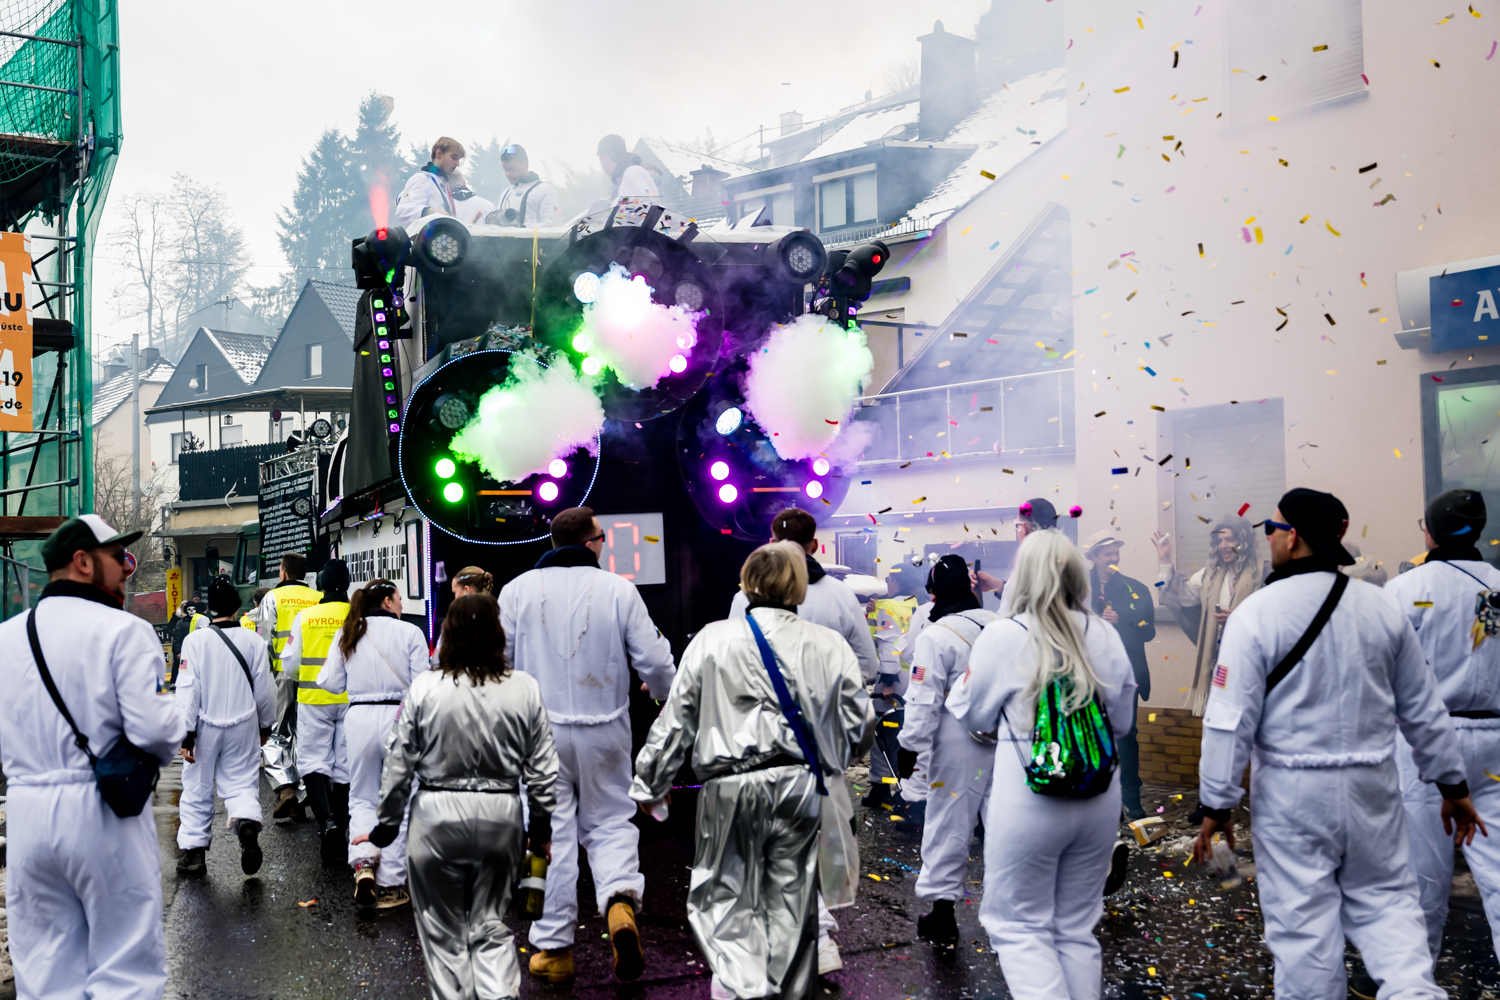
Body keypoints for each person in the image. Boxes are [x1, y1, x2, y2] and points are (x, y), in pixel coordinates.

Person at [1192, 488, 1484, 1000]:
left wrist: (1216, 804)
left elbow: (1228, 720)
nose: (1269, 536)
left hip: (1292, 793)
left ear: (1294, 537)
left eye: (1272, 526)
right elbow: (1422, 708)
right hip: (1373, 786)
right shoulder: (1380, 607)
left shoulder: (1255, 615)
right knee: (1390, 909)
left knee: (1304, 927)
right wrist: (1453, 785)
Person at [631, 541, 874, 1000]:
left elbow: (677, 719)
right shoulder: (829, 645)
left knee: (727, 903)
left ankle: (740, 990)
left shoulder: (711, 639)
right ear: (800, 588)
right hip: (803, 787)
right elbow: (859, 724)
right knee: (794, 905)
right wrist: (834, 760)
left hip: (730, 789)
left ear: (746, 585)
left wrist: (650, 781)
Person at [946, 529, 1136, 1000]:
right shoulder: (1106, 634)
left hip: (1028, 797)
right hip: (1098, 796)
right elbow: (1125, 722)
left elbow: (974, 713)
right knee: (1074, 928)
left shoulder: (1004, 634)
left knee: (1019, 927)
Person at [0, 515, 185, 999]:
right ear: (83, 562)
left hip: (25, 814)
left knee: (44, 974)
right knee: (126, 969)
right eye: (117, 558)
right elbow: (156, 730)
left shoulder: (4, 639)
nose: (127, 569)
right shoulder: (124, 632)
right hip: (103, 810)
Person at [498, 506, 676, 984]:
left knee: (547, 836)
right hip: (606, 731)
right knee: (610, 823)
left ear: (555, 543)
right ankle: (619, 903)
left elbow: (499, 662)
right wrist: (662, 695)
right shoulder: (619, 589)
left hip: (539, 734)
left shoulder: (515, 592)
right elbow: (656, 661)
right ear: (593, 542)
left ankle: (554, 950)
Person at [371, 594, 558, 1000]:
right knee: (491, 925)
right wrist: (540, 823)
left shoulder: (423, 689)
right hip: (501, 817)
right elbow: (543, 764)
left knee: (443, 933)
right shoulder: (524, 687)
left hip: (434, 817)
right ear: (497, 633)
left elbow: (398, 758)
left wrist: (387, 821)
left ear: (448, 635)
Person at [727, 507, 879, 973]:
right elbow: (867, 667)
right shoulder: (839, 596)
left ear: (769, 541)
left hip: (759, 742)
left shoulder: (740, 603)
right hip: (823, 744)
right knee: (818, 838)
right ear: (816, 545)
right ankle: (823, 942)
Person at [1384, 488, 1500, 968]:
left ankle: (1412, 980)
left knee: (1421, 874)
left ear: (1429, 530)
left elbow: (1379, 673)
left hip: (1423, 744)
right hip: (1496, 740)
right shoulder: (1496, 586)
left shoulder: (1404, 590)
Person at [897, 554, 998, 945]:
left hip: (957, 743)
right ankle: (1022, 908)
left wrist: (910, 747)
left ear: (932, 592)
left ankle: (943, 914)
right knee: (1005, 823)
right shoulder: (1001, 626)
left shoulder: (934, 636)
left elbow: (923, 700)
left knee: (948, 823)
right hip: (1005, 737)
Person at [316, 578, 430, 909]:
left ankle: (364, 862)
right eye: (398, 599)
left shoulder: (348, 632)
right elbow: (422, 685)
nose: (401, 605)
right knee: (399, 799)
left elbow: (331, 683)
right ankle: (391, 884)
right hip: (399, 718)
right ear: (388, 600)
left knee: (362, 798)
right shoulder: (410, 633)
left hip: (359, 719)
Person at [174, 576, 277, 877]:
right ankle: (245, 824)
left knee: (197, 786)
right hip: (244, 724)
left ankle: (194, 855)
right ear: (236, 607)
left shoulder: (195, 641)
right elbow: (265, 689)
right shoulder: (254, 641)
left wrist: (186, 733)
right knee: (242, 782)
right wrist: (266, 724)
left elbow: (188, 689)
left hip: (205, 726)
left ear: (210, 608)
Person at [1151, 515, 1262, 715]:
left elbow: (1277, 620)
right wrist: (1165, 560)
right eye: (1219, 541)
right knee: (1220, 718)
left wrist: (1239, 620)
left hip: (1253, 664)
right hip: (1218, 663)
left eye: (1229, 539)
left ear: (1243, 541)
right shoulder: (1208, 574)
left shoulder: (1263, 574)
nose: (1223, 546)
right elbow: (1181, 597)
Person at [283, 558, 352, 864]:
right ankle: (345, 823)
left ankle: (327, 823)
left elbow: (290, 664)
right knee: (345, 763)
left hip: (314, 699)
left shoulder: (306, 617)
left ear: (322, 584)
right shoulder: (358, 615)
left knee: (314, 761)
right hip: (351, 700)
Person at [1084, 529, 1156, 819]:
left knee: (1126, 735)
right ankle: (1095, 797)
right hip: (1087, 675)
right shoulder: (1076, 588)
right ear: (1093, 557)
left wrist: (1123, 619)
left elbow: (1149, 631)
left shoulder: (1133, 587)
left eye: (1116, 553)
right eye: (1107, 554)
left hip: (1126, 675)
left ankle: (1131, 798)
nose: (1114, 558)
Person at [255, 552, 322, 817]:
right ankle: (305, 791)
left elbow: (266, 640)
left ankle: (286, 789)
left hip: (282, 674)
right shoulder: (318, 598)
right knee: (304, 734)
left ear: (283, 572)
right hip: (314, 676)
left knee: (278, 733)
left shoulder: (272, 597)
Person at [394, 137, 464, 228]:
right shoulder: (422, 178)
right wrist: (429, 211)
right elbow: (403, 211)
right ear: (439, 153)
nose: (457, 163)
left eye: (459, 159)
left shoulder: (443, 183)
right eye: (454, 157)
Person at [492, 144, 562, 227]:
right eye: (505, 170)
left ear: (525, 163)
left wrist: (524, 229)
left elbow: (554, 225)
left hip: (533, 240)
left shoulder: (545, 190)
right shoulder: (505, 193)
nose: (508, 174)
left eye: (512, 169)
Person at [597, 134, 659, 203]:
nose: (602, 165)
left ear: (605, 158)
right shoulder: (625, 179)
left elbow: (649, 206)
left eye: (600, 159)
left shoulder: (632, 173)